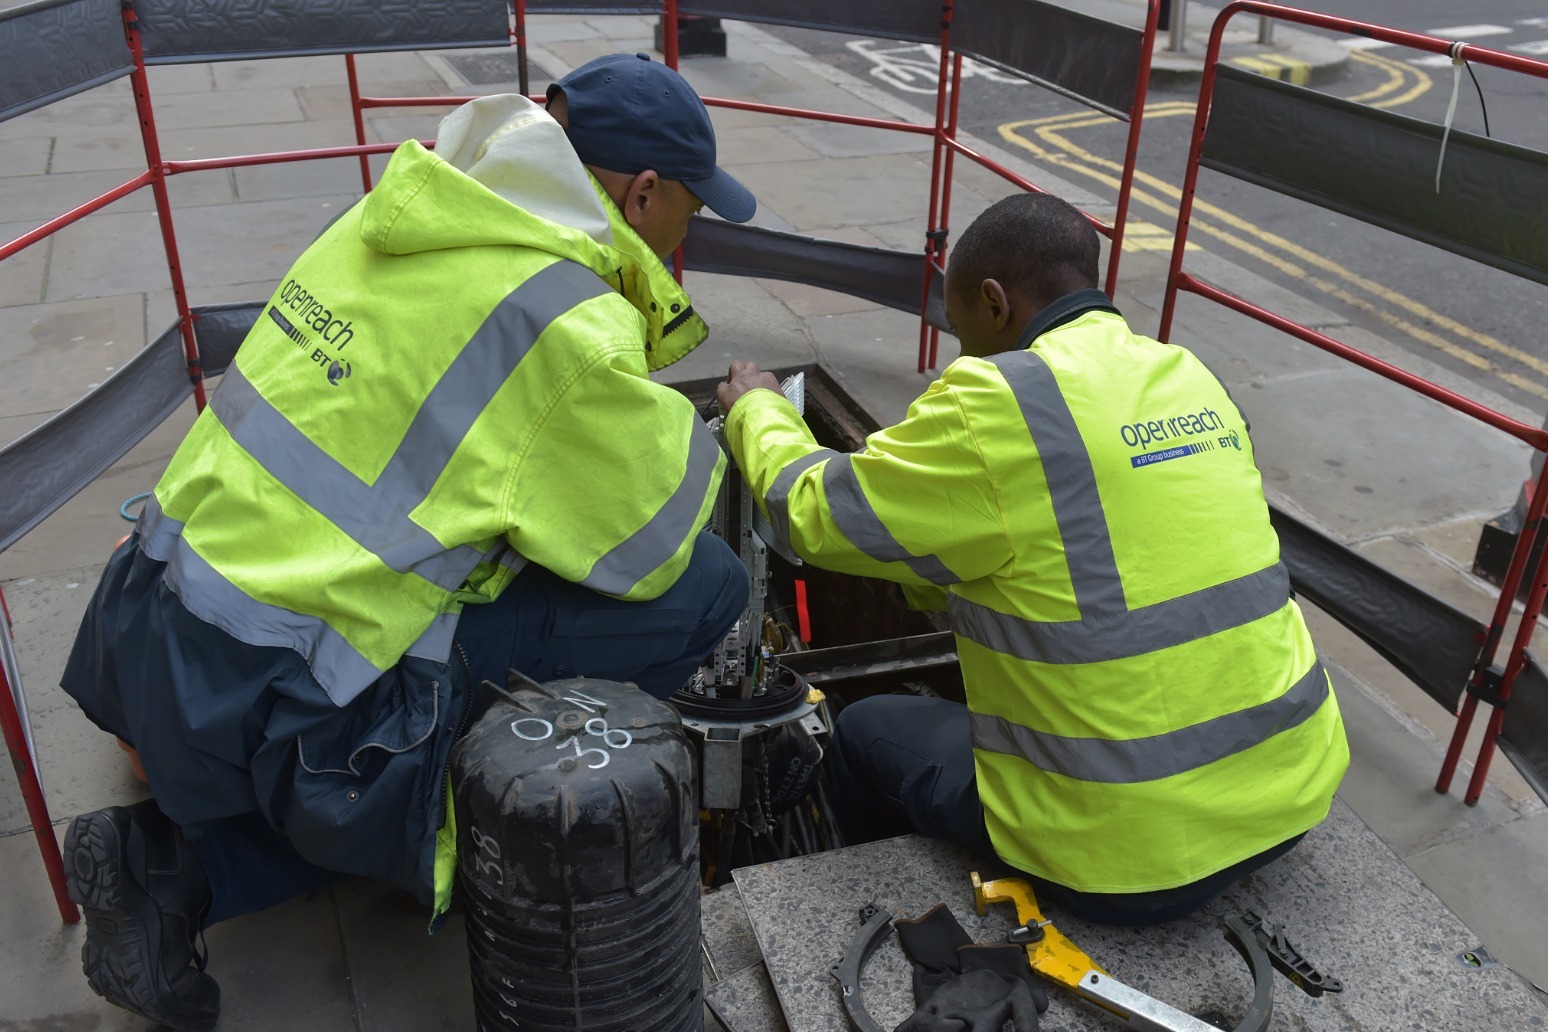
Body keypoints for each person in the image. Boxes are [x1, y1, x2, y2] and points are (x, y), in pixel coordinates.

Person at [60, 53, 754, 1031]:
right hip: (288, 688)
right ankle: (196, 868)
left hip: (154, 614)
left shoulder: (404, 207)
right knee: (709, 587)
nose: (689, 232)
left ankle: (181, 847)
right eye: (691, 206)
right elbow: (652, 543)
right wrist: (754, 423)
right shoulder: (566, 316)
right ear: (643, 195)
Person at [715, 192, 1350, 927]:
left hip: (1125, 853)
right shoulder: (1187, 374)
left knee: (865, 731)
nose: (960, 357)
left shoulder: (999, 398)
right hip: (1292, 792)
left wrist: (757, 409)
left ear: (994, 302)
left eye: (961, 333)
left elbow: (812, 511)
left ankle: (872, 918)